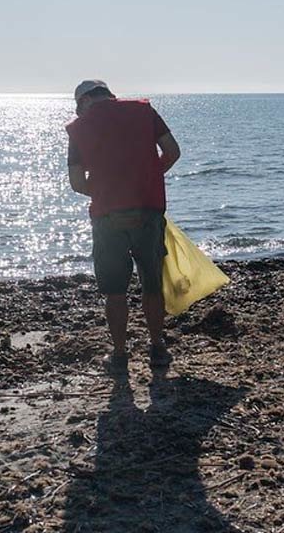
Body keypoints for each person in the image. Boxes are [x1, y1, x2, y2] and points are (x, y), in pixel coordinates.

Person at [65, 79, 181, 372]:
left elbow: (77, 183)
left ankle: (119, 355)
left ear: (82, 103)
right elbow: (172, 152)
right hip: (148, 211)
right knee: (151, 285)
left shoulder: (78, 128)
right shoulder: (144, 112)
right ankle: (157, 348)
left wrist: (108, 190)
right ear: (110, 95)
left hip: (108, 217)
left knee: (115, 291)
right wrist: (148, 178)